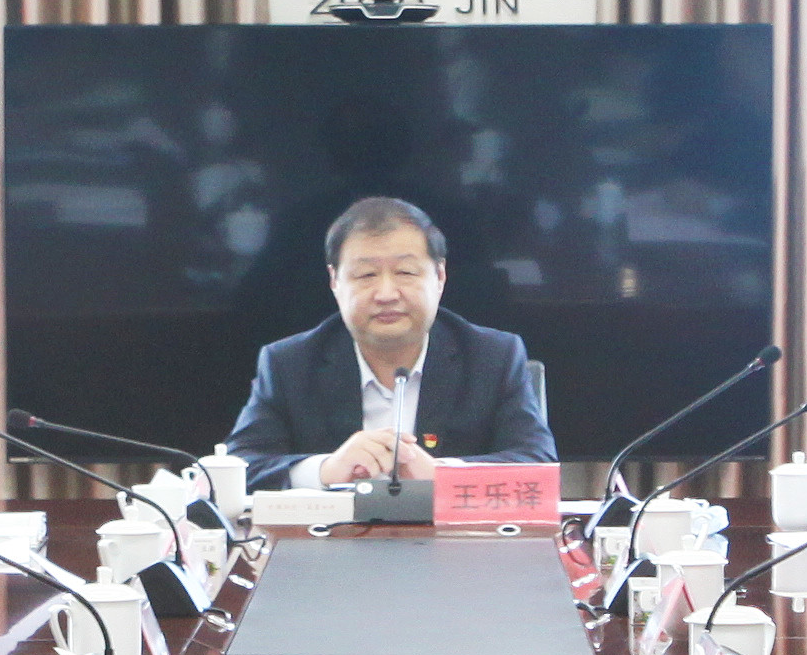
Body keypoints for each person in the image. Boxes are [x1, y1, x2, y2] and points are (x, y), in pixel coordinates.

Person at [219, 196, 557, 489]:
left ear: (440, 276)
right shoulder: (289, 363)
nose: (386, 294)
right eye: (366, 275)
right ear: (335, 281)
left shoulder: (492, 356)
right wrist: (326, 470)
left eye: (405, 272)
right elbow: (238, 467)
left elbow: (538, 464)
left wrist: (443, 476)